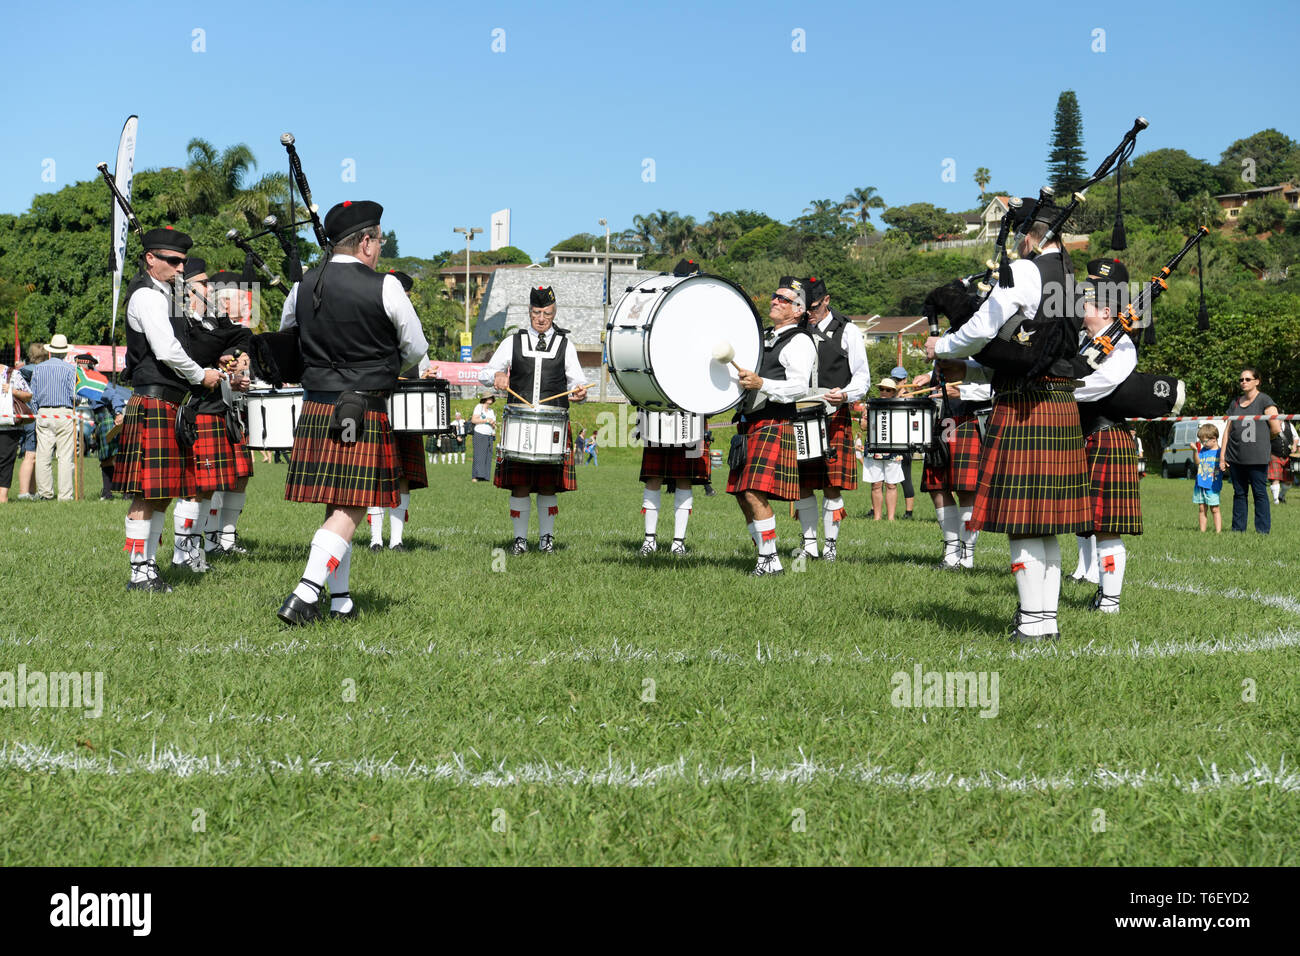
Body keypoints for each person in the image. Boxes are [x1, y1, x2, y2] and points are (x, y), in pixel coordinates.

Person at [925, 198, 1091, 642]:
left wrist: (941, 348)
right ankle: (1044, 621)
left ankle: (1031, 622)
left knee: (1022, 522)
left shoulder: (1027, 270)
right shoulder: (1074, 280)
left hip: (1024, 404)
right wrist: (980, 367)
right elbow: (1037, 347)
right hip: (1059, 402)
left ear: (1028, 237)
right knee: (1046, 524)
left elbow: (983, 326)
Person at [276, 200, 433, 625]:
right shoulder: (386, 287)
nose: (379, 248)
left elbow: (288, 335)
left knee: (337, 504)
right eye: (378, 240)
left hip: (316, 405)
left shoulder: (302, 286)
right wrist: (383, 370)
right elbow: (416, 348)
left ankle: (340, 599)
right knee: (354, 506)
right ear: (365, 241)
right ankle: (305, 593)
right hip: (363, 407)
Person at [116, 226, 223, 593]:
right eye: (174, 261)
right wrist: (202, 375)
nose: (181, 268)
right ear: (150, 259)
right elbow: (167, 351)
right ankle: (138, 570)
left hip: (170, 404)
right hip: (154, 400)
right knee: (147, 492)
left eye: (182, 262)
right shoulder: (147, 297)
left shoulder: (169, 295)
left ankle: (148, 566)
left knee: (160, 492)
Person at [478, 286, 588, 555]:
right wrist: (496, 377)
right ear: (529, 312)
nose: (541, 318)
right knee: (520, 484)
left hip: (554, 425)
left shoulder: (565, 345)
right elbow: (484, 372)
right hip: (520, 424)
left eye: (547, 313)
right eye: (536, 312)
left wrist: (581, 393)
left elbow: (579, 383)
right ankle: (519, 541)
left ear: (554, 313)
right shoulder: (512, 342)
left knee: (549, 485)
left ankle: (546, 539)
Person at [728, 277, 817, 575]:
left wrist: (762, 383)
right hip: (749, 421)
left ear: (798, 310)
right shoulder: (762, 336)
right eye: (774, 296)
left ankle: (769, 561)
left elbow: (799, 387)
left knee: (753, 491)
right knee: (742, 495)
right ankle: (769, 558)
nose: (775, 301)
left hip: (774, 421)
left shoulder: (800, 341)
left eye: (783, 299)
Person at [173, 260, 255, 569]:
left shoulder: (211, 321)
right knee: (194, 488)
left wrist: (236, 357)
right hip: (195, 410)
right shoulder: (180, 322)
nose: (213, 289)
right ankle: (183, 555)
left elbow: (244, 335)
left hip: (217, 408)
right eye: (206, 283)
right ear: (188, 287)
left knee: (207, 487)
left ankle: (199, 550)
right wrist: (221, 359)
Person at [1072, 259, 1143, 614]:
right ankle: (1089, 579)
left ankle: (1110, 600)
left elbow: (1103, 384)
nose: (1078, 308)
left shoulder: (1123, 345)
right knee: (1083, 521)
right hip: (1081, 437)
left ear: (1104, 309)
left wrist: (1060, 390)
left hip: (1106, 435)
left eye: (1085, 303)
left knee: (1106, 524)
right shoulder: (1081, 341)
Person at [790, 276, 869, 561]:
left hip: (833, 413)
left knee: (831, 483)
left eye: (811, 306)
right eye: (802, 307)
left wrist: (846, 395)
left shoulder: (848, 331)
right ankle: (809, 544)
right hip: (799, 414)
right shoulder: (795, 331)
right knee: (803, 481)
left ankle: (831, 547)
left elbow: (863, 377)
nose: (807, 312)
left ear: (826, 300)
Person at [364, 269, 436, 553]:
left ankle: (396, 540)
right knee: (374, 473)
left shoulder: (412, 328)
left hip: (408, 411)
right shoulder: (370, 325)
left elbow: (422, 360)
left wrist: (426, 376)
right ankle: (375, 539)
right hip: (377, 406)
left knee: (403, 474)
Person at [912, 361, 990, 568]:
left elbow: (996, 383)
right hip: (944, 418)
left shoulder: (987, 337)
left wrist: (963, 391)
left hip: (971, 418)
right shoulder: (948, 335)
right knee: (936, 485)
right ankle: (950, 552)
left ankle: (966, 557)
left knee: (966, 489)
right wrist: (930, 376)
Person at [1221, 368, 1280, 533]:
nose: (1244, 382)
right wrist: (1222, 455)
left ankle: (1262, 531)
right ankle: (1237, 530)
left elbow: (1276, 428)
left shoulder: (1264, 400)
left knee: (1259, 493)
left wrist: (1262, 441)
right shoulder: (1235, 403)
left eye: (1247, 379)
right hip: (1235, 456)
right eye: (1241, 380)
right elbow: (1227, 430)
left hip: (1257, 457)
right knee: (1239, 493)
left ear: (1257, 381)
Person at [27, 333, 79, 500]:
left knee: (43, 456)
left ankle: (45, 493)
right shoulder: (71, 369)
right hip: (64, 413)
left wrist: (37, 412)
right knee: (64, 457)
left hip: (43, 413)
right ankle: (65, 495)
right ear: (65, 352)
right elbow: (75, 396)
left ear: (50, 351)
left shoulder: (38, 369)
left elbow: (33, 396)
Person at [861, 378, 905, 521]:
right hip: (875, 447)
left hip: (893, 447)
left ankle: (891, 519)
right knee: (876, 484)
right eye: (882, 389)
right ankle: (877, 518)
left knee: (891, 484)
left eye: (888, 390)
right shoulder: (871, 404)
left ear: (893, 392)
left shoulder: (900, 406)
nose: (884, 392)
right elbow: (863, 426)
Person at [0, 360, 34, 503]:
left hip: (8, 426)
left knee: (5, 462)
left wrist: (12, 390)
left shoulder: (13, 374)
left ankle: (2, 498)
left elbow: (28, 395)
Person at [15, 345, 43, 499]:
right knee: (30, 455)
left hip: (27, 417)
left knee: (33, 455)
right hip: (33, 417)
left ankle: (31, 491)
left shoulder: (23, 371)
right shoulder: (34, 370)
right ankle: (24, 492)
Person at [1194, 423, 1223, 533]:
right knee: (1202, 508)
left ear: (1214, 439)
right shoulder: (1203, 451)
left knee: (1214, 508)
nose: (1203, 443)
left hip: (1213, 485)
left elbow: (1225, 464)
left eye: (1205, 441)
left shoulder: (1220, 452)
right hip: (1200, 484)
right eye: (1202, 441)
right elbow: (1197, 463)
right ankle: (1202, 532)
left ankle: (1218, 532)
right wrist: (1194, 452)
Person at [1267, 420, 1296, 504]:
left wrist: (1294, 445)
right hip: (1274, 454)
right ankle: (1276, 501)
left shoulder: (1289, 425)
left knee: (1288, 481)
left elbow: (1296, 437)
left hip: (1287, 456)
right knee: (1275, 478)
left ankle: (1281, 496)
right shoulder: (1270, 425)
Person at [470, 394, 497, 481]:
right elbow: (474, 420)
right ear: (484, 399)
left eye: (491, 398)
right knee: (478, 455)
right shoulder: (479, 407)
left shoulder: (491, 410)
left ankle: (485, 477)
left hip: (489, 435)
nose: (490, 399)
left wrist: (493, 427)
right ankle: (475, 476)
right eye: (489, 397)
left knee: (487, 456)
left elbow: (493, 423)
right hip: (480, 433)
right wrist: (486, 420)